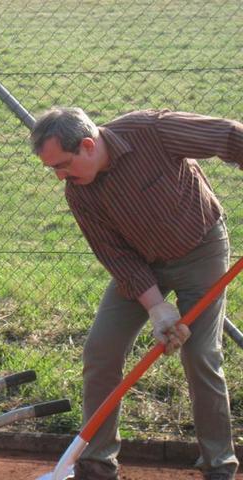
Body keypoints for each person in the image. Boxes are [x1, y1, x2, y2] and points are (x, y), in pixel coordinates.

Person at [30, 107, 242, 480]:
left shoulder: (152, 130)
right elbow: (115, 255)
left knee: (200, 355)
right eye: (53, 170)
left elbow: (227, 136)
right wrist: (157, 308)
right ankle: (96, 464)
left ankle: (219, 466)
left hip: (200, 249)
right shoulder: (79, 193)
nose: (60, 176)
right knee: (101, 350)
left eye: (62, 165)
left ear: (88, 145)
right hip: (142, 266)